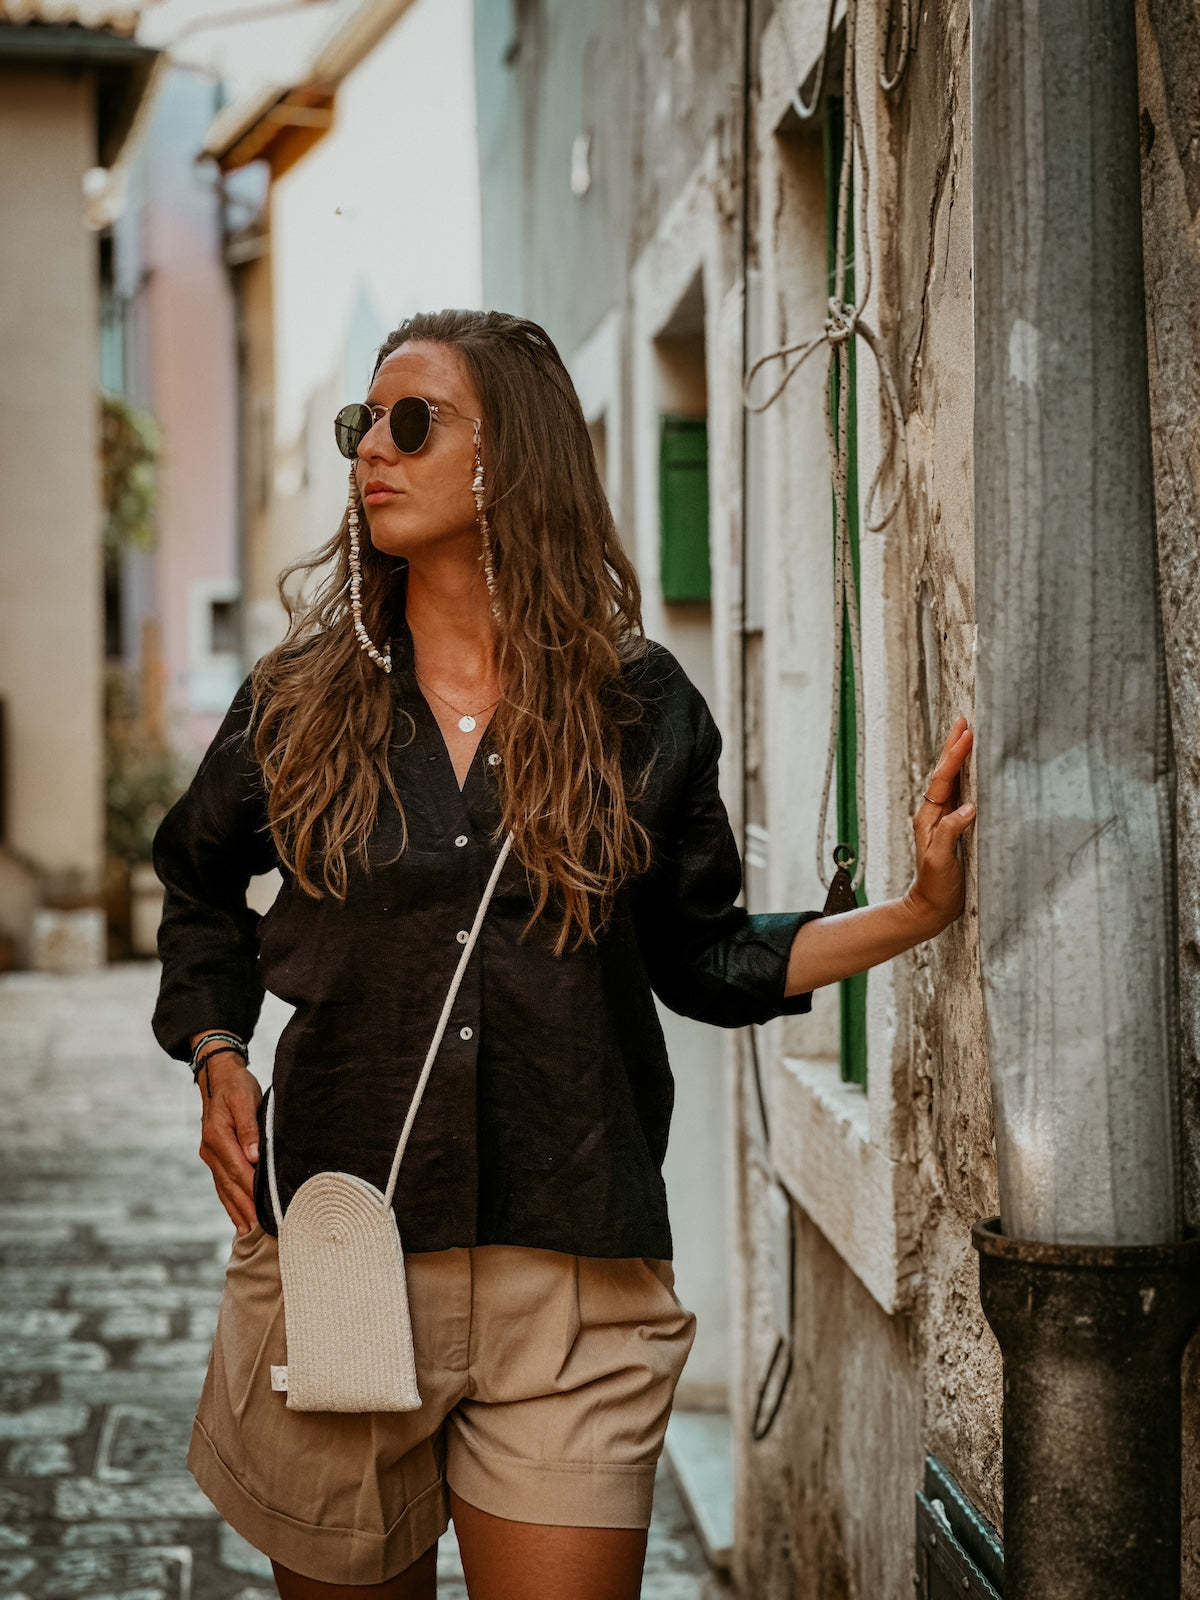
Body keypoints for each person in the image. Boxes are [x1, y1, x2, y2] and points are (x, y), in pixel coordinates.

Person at [152, 309, 974, 1600]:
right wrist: (216, 1053)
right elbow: (197, 877)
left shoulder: (638, 709)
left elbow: (706, 959)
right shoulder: (298, 703)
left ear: (513, 458)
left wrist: (916, 913)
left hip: (576, 1286)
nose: (372, 448)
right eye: (361, 423)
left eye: (412, 422)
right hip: (346, 1255)